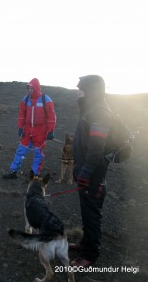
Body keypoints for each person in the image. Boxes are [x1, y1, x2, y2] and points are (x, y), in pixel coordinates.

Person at [69, 75, 111, 267]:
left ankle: (89, 256)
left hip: (93, 175)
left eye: (81, 88)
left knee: (92, 215)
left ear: (91, 90)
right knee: (86, 212)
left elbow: (95, 149)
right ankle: (85, 244)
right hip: (86, 171)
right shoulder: (89, 109)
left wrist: (85, 173)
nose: (78, 91)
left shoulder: (100, 112)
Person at [3, 78, 56, 179]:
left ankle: (35, 174)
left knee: (38, 153)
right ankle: (13, 171)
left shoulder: (46, 100)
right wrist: (20, 127)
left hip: (41, 132)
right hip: (27, 131)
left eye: (31, 88)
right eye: (28, 88)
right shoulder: (25, 100)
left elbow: (51, 117)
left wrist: (51, 131)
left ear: (36, 88)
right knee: (20, 151)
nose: (29, 90)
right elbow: (22, 115)